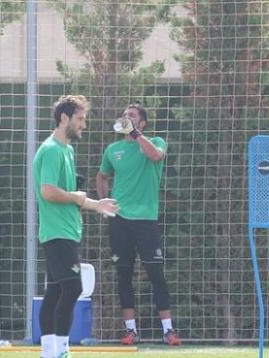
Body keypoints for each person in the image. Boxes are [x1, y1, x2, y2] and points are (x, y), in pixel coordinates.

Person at [34, 95, 119, 358]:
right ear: (64, 118)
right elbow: (48, 192)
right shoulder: (50, 150)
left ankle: (49, 352)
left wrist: (96, 204)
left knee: (56, 290)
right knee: (73, 287)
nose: (84, 124)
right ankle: (61, 350)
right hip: (56, 233)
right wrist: (77, 197)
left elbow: (72, 196)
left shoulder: (67, 150)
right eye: (80, 119)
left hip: (67, 231)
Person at [95, 102, 181, 346]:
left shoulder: (156, 142)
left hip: (146, 220)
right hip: (119, 220)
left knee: (156, 274)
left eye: (131, 116)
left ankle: (168, 331)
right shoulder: (113, 149)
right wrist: (103, 202)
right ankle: (131, 331)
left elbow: (155, 156)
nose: (126, 117)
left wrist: (135, 133)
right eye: (124, 115)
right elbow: (102, 176)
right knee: (123, 275)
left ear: (142, 122)